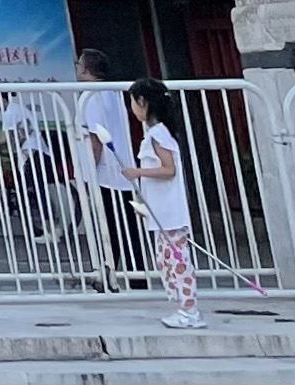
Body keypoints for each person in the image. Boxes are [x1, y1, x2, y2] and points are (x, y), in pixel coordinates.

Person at [123, 78, 200, 328]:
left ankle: (190, 311)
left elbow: (169, 170)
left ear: (142, 102)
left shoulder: (158, 135)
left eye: (133, 102)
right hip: (160, 212)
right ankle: (184, 308)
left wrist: (138, 173)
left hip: (169, 213)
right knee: (167, 260)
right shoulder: (156, 133)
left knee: (178, 260)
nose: (132, 108)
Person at [72, 48, 140, 292]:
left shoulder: (90, 97)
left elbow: (95, 137)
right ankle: (123, 275)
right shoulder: (112, 92)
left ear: (86, 69)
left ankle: (112, 274)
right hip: (121, 172)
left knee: (110, 228)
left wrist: (87, 173)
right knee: (124, 228)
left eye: (79, 63)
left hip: (105, 175)